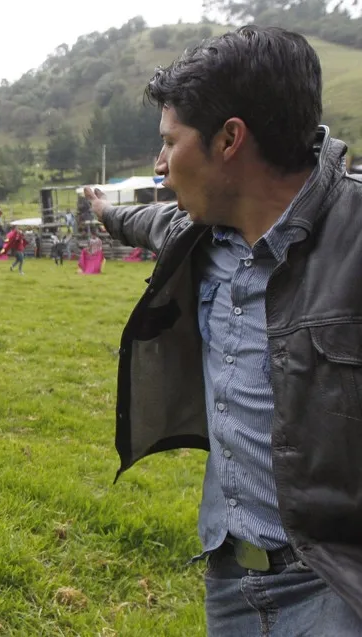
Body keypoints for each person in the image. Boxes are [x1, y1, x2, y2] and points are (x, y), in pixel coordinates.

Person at [84, 25, 362, 634]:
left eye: (169, 143)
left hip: (338, 587)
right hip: (231, 579)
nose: (160, 167)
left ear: (230, 139)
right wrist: (102, 208)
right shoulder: (195, 231)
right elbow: (137, 219)